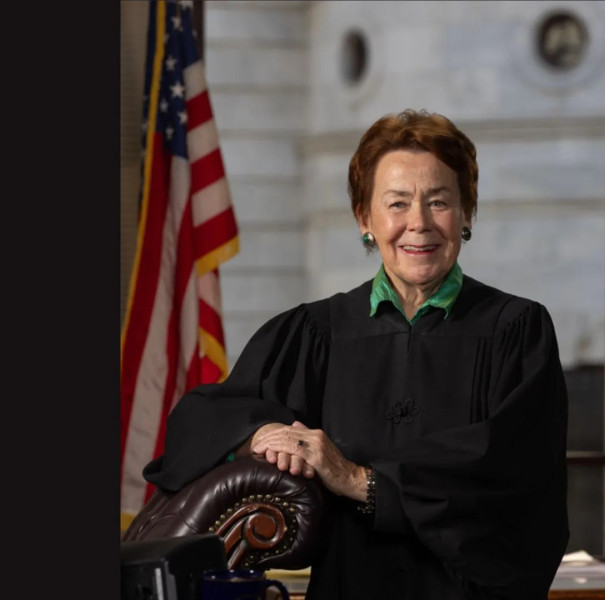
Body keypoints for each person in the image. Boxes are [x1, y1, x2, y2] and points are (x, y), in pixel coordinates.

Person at [143, 109, 569, 600]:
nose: (418, 223)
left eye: (439, 201)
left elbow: (512, 476)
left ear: (467, 214)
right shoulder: (316, 334)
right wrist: (261, 435)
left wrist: (357, 480)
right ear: (365, 219)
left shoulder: (516, 332)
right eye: (397, 203)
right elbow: (199, 421)